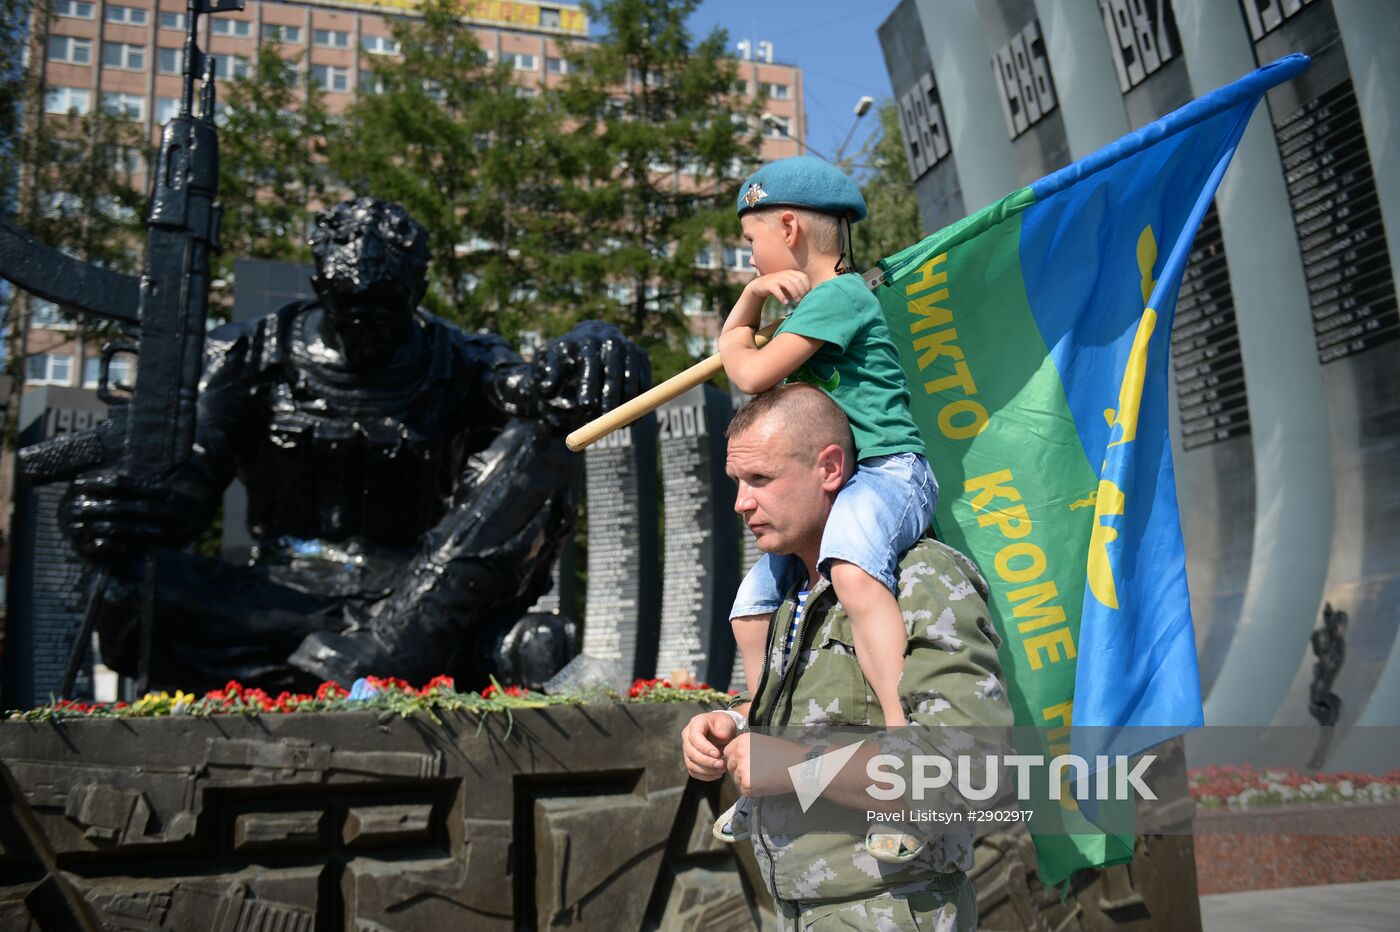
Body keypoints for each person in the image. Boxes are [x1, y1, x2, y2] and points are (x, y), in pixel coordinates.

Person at [57, 198, 649, 691]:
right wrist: (117, 510)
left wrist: (591, 343)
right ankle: (375, 658)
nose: (364, 320)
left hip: (420, 592)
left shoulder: (459, 360)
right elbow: (186, 489)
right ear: (319, 287)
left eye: (383, 304)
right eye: (347, 303)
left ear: (417, 289)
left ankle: (388, 650)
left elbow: (539, 389)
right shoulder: (248, 355)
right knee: (128, 591)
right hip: (278, 597)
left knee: (553, 427)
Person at [680, 384, 1011, 931]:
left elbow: (972, 766)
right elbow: (826, 718)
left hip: (893, 909)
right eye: (737, 482)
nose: (741, 502)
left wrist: (793, 767)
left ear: (830, 467)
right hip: (804, 911)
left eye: (760, 479)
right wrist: (734, 722)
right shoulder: (790, 592)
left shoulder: (918, 577)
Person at [715, 156, 938, 860]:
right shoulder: (813, 305)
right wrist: (756, 300)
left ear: (789, 227)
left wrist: (748, 305)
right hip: (837, 477)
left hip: (884, 471)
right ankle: (760, 736)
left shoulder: (836, 298)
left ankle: (905, 757)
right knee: (752, 603)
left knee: (852, 572)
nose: (752, 257)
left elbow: (747, 370)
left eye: (752, 242)